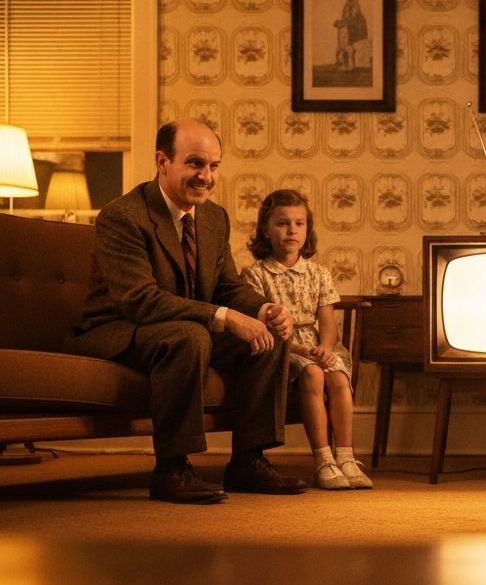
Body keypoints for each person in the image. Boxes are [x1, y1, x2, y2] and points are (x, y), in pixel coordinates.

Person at [66, 118, 307, 504]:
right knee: (189, 336)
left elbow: (227, 285)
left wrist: (264, 309)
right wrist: (226, 318)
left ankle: (249, 461)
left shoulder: (214, 218)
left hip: (183, 324)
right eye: (195, 163)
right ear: (163, 162)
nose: (206, 176)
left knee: (270, 334)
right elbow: (140, 299)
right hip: (122, 328)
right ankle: (172, 468)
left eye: (213, 166)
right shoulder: (123, 216)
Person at [242, 190, 373, 491]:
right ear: (266, 228)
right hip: (281, 347)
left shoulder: (319, 274)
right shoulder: (256, 275)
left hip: (317, 344)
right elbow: (264, 327)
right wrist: (304, 352)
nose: (292, 230)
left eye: (299, 224)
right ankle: (323, 460)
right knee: (313, 373)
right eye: (283, 223)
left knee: (338, 375)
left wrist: (325, 349)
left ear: (307, 230)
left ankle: (346, 457)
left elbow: (328, 324)